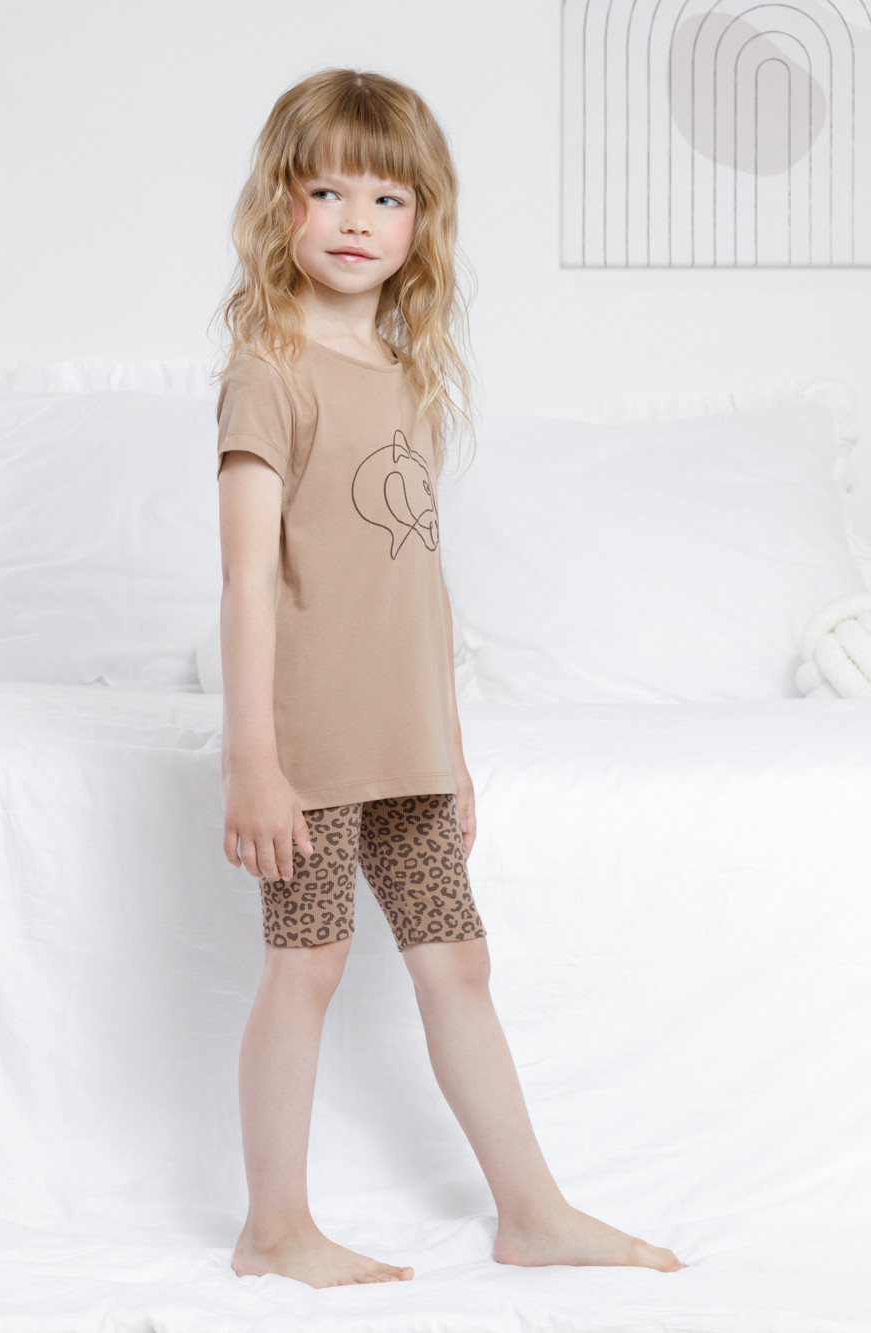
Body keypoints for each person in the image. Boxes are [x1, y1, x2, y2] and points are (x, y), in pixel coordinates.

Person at [213, 67, 687, 1290]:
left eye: (386, 197)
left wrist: (452, 750)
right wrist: (254, 760)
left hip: (409, 746)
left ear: (422, 220)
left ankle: (532, 1211)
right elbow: (248, 582)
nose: (356, 220)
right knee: (307, 966)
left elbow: (416, 584)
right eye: (327, 191)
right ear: (280, 202)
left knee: (455, 963)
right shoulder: (270, 369)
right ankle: (273, 1228)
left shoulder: (409, 378)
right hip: (312, 746)